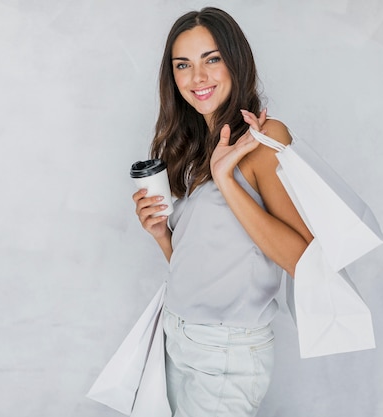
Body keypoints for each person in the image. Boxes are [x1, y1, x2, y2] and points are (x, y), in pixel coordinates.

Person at [132, 7, 313, 417]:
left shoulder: (264, 138)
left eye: (212, 59)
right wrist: (162, 233)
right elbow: (201, 267)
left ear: (236, 61)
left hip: (226, 354)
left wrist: (226, 180)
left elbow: (303, 258)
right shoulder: (198, 145)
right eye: (184, 65)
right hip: (176, 336)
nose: (198, 77)